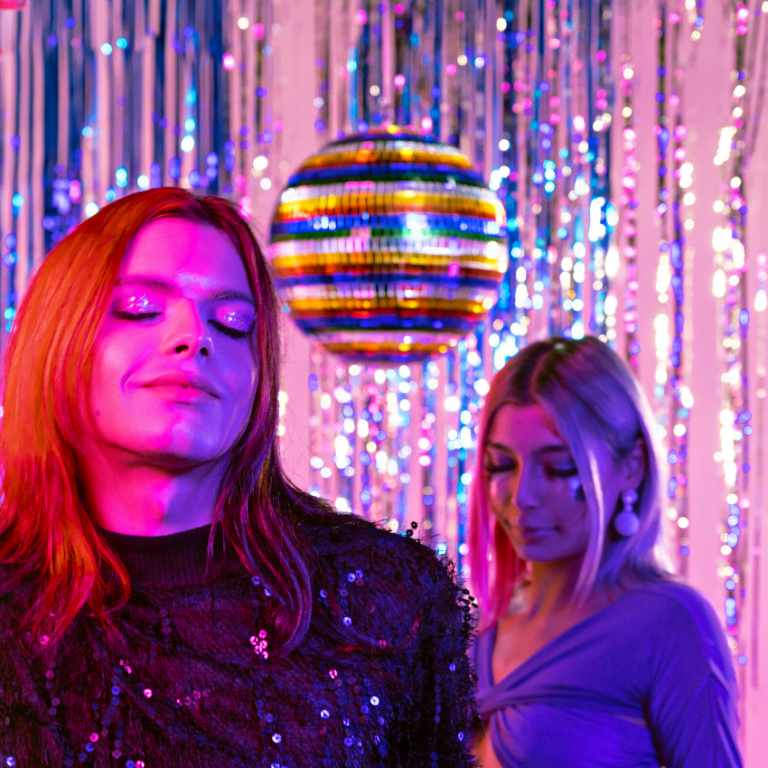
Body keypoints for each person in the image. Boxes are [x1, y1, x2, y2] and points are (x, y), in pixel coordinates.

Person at [0, 188, 476, 767]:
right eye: (138, 306)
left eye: (232, 322)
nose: (194, 336)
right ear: (56, 340)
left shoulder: (384, 600)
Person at [468, 337, 742, 768]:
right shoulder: (476, 631)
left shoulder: (669, 626)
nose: (522, 497)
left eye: (558, 467)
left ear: (630, 467)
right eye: (501, 465)